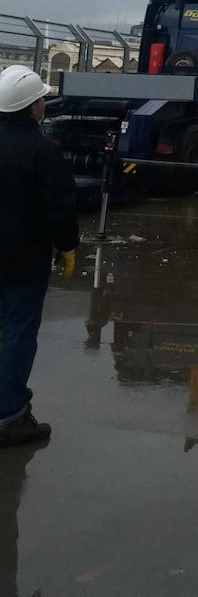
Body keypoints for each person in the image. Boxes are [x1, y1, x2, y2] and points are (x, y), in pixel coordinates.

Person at [0, 66, 79, 448]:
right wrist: (67, 245)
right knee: (17, 334)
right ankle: (11, 417)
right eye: (41, 98)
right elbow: (58, 208)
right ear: (32, 107)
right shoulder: (43, 152)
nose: (44, 103)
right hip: (23, 261)